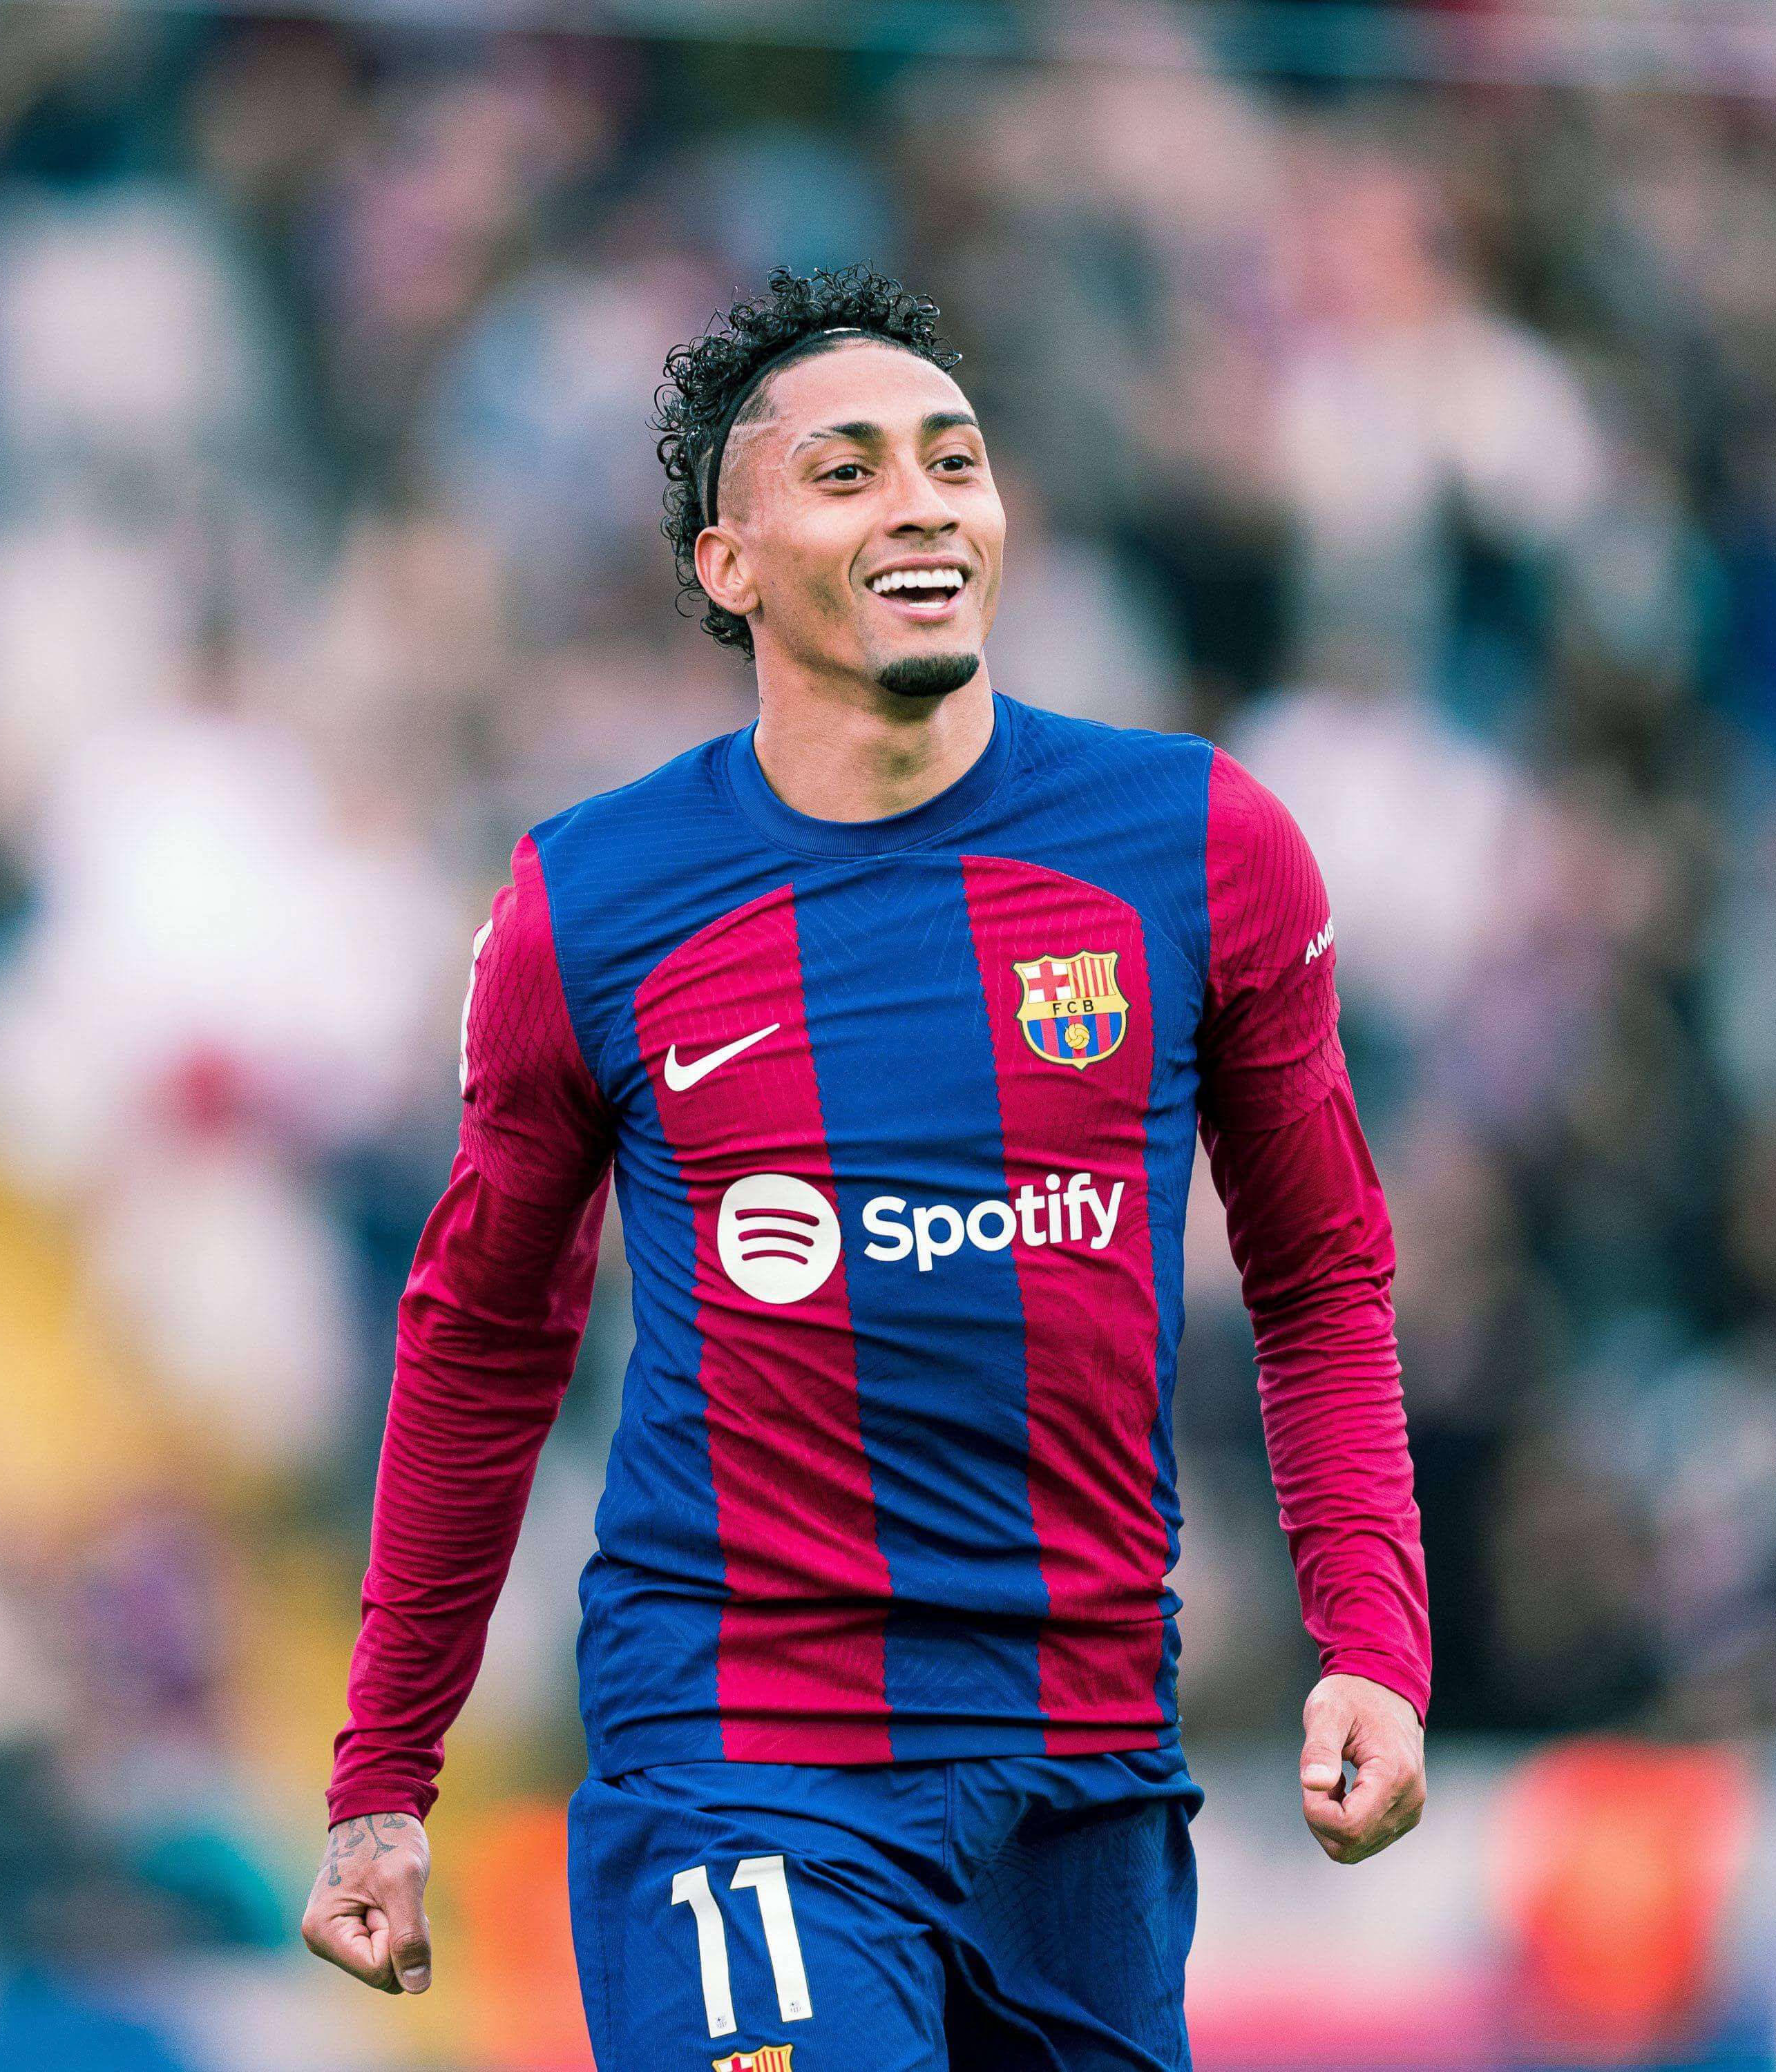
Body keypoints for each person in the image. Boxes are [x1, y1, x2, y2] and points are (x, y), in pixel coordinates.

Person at [303, 266, 1431, 2071]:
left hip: (1084, 1772)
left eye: (953, 462)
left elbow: (1314, 1281)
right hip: (743, 1761)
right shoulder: (591, 906)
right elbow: (481, 1339)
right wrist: (383, 1779)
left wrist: (1369, 1637)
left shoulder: (1199, 849)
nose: (920, 502)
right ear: (726, 563)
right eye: (845, 471)